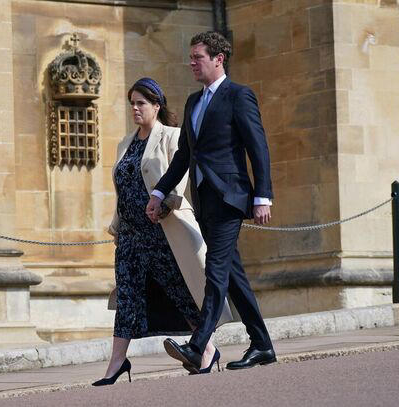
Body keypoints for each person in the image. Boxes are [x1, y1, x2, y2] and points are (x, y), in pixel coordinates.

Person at [146, 31, 276, 372]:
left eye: (197, 57)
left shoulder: (239, 96)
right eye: (190, 57)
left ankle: (198, 344)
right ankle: (262, 344)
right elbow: (184, 156)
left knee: (215, 270)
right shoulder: (192, 102)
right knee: (233, 276)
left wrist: (263, 196)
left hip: (231, 198)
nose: (191, 63)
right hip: (204, 200)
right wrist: (159, 192)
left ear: (219, 59)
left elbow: (257, 147)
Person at [93, 78, 232, 386]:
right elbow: (123, 187)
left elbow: (179, 177)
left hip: (162, 232)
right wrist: (116, 225)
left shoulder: (171, 136)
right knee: (127, 298)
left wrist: (166, 202)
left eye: (141, 103)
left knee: (180, 292)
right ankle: (116, 363)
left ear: (157, 105)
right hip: (130, 236)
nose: (135, 108)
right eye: (132, 103)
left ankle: (207, 349)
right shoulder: (125, 142)